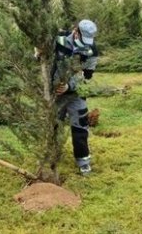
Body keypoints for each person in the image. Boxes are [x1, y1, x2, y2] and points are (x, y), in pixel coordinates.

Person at [52, 19, 99, 175]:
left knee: (80, 126)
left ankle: (83, 161)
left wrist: (69, 86)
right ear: (76, 31)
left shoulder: (92, 50)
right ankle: (52, 156)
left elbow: (87, 77)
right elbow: (43, 55)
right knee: (54, 125)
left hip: (76, 94)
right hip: (54, 93)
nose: (85, 43)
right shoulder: (58, 38)